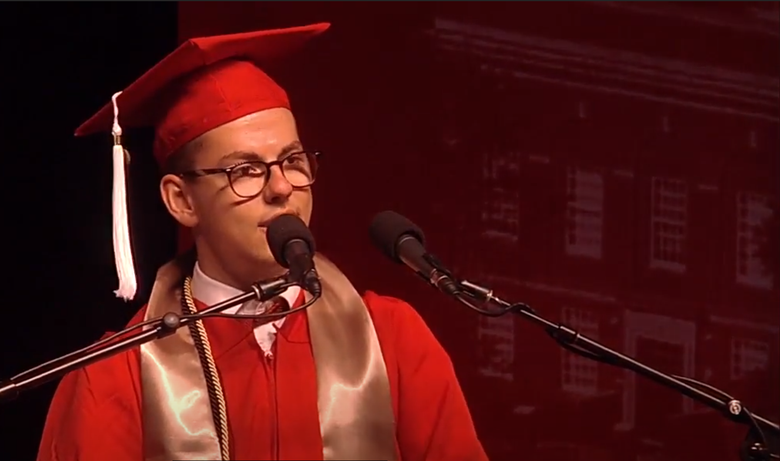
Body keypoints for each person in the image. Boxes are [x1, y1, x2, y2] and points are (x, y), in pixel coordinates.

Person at [36, 23, 489, 461]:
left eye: (292, 160)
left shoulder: (391, 339)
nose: (281, 188)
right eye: (246, 171)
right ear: (181, 201)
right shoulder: (119, 373)